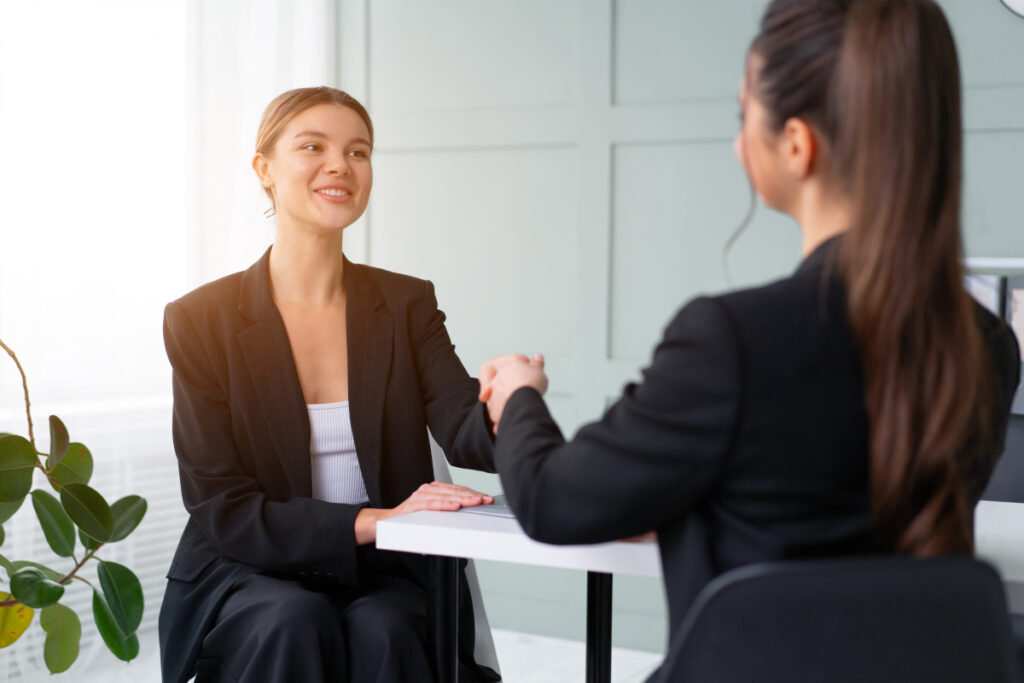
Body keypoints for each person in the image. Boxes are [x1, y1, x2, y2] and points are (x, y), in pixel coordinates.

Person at [478, 0, 1021, 673]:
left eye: (745, 117)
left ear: (797, 144)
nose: (740, 142)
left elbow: (552, 499)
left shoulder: (730, 340)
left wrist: (520, 396)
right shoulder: (989, 344)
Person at [158, 87, 500, 683]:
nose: (340, 165)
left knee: (385, 629)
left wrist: (511, 402)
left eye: (358, 152)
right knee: (291, 619)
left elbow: (464, 427)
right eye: (312, 146)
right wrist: (375, 519)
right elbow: (221, 502)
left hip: (388, 569)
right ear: (264, 168)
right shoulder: (198, 319)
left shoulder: (405, 303)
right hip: (247, 565)